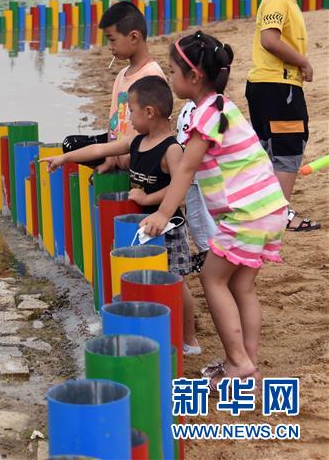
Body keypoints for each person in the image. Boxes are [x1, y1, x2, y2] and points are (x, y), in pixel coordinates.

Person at [141, 31, 288, 386]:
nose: (170, 78)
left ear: (194, 76)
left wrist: (163, 214)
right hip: (270, 208)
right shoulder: (223, 106)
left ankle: (238, 361)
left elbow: (186, 169)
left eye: (172, 71)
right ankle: (246, 363)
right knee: (241, 286)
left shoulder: (205, 115)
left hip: (246, 215)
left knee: (211, 278)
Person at [47, 76, 198, 349]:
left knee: (175, 282)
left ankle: (189, 338)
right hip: (139, 227)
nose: (129, 116)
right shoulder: (136, 142)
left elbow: (180, 187)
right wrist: (65, 157)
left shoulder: (172, 149)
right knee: (143, 280)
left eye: (132, 111)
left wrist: (147, 198)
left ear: (149, 112)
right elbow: (99, 148)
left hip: (167, 228)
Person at [246, 0, 318, 231]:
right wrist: (303, 62)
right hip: (278, 86)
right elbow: (270, 40)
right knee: (288, 149)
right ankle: (280, 214)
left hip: (266, 86)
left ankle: (265, 210)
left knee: (269, 151)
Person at [99, 1, 166, 172]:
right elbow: (113, 121)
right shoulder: (121, 75)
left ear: (134, 37)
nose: (109, 47)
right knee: (72, 144)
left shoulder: (152, 75)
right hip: (120, 157)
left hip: (140, 162)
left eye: (112, 40)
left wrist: (135, 157)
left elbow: (157, 127)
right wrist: (109, 158)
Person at [175, 99, 219, 355]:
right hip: (195, 181)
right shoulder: (192, 108)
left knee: (205, 233)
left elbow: (190, 152)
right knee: (201, 226)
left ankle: (209, 262)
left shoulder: (202, 110)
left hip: (199, 181)